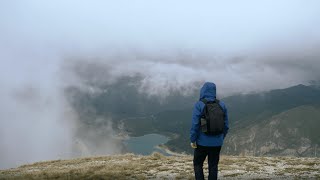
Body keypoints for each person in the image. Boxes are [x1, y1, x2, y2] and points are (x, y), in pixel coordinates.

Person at [190, 82, 229, 180]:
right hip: (217, 143)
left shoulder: (199, 105)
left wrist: (193, 139)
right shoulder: (222, 105)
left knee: (198, 164)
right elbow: (226, 125)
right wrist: (220, 137)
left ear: (202, 91)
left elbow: (195, 124)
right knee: (213, 166)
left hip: (201, 142)